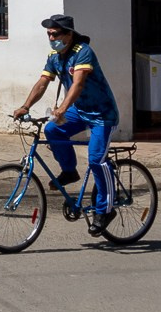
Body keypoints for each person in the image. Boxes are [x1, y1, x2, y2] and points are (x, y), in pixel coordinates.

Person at [12, 14, 122, 235]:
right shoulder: (55, 56)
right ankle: (69, 171)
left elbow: (78, 84)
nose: (51, 38)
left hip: (102, 114)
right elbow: (43, 82)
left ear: (68, 34)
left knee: (96, 160)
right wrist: (25, 106)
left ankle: (106, 209)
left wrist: (61, 109)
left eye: (55, 34)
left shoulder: (83, 52)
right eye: (49, 34)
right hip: (79, 111)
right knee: (53, 129)